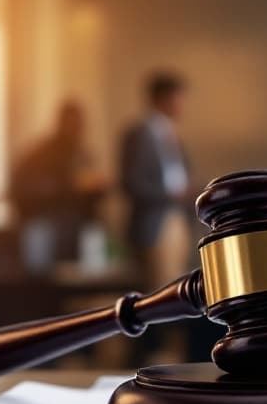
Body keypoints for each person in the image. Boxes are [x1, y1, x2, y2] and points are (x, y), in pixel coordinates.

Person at [120, 71, 193, 287]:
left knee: (179, 287)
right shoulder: (138, 133)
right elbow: (131, 183)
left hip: (177, 218)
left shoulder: (172, 133)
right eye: (179, 98)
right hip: (153, 222)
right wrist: (169, 194)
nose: (182, 105)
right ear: (163, 98)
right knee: (159, 292)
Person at [11, 100, 105, 265]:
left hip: (78, 232)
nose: (77, 129)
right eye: (73, 123)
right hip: (47, 229)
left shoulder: (83, 154)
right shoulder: (39, 154)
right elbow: (24, 190)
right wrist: (68, 186)